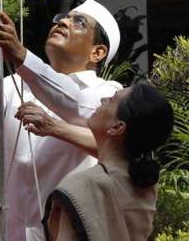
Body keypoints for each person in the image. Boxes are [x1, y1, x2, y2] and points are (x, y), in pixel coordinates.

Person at [0, 0, 122, 241]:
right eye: (63, 18)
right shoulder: (16, 83)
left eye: (78, 22)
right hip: (1, 233)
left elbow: (77, 105)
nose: (64, 23)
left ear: (97, 52)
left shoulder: (109, 93)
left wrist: (21, 56)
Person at [16, 83, 174, 240]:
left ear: (117, 127)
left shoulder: (81, 187)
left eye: (111, 100)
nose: (103, 99)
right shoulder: (143, 183)